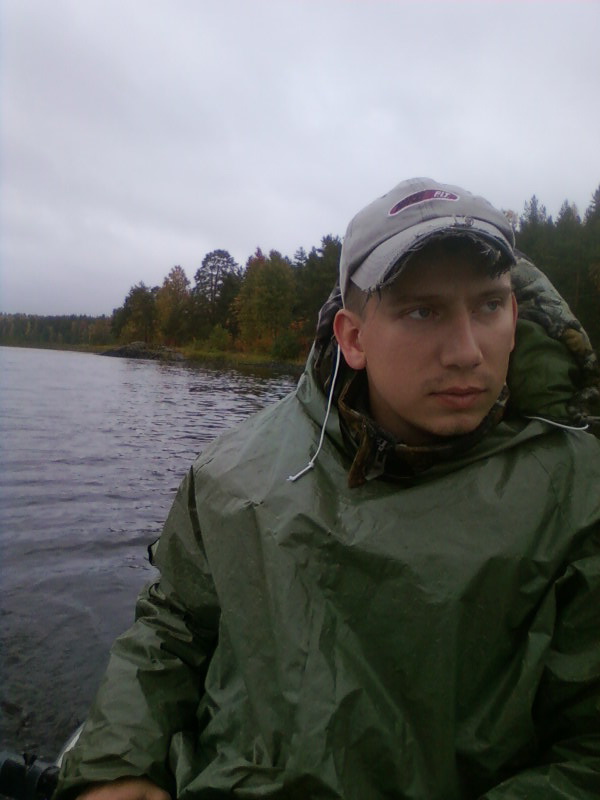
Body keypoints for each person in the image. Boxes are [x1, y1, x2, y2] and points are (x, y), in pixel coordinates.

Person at [55, 178, 600, 800]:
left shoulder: (580, 497)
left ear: (515, 315)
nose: (466, 351)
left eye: (489, 306)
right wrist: (118, 762)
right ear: (353, 338)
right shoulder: (233, 472)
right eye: (422, 311)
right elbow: (173, 629)